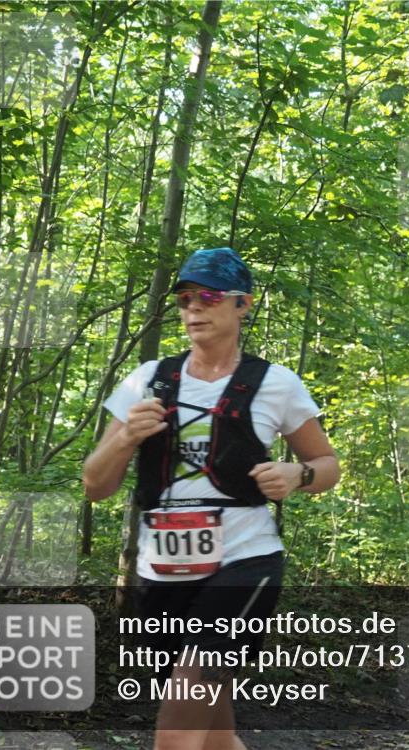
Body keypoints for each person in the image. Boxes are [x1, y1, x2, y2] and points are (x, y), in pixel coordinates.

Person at [83, 247, 340, 750]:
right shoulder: (149, 379)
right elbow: (95, 486)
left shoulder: (275, 383)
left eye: (208, 296)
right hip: (160, 572)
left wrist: (297, 473)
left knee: (178, 728)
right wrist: (123, 439)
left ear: (242, 305)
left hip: (245, 562)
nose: (193, 308)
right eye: (184, 299)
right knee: (215, 733)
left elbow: (327, 466)